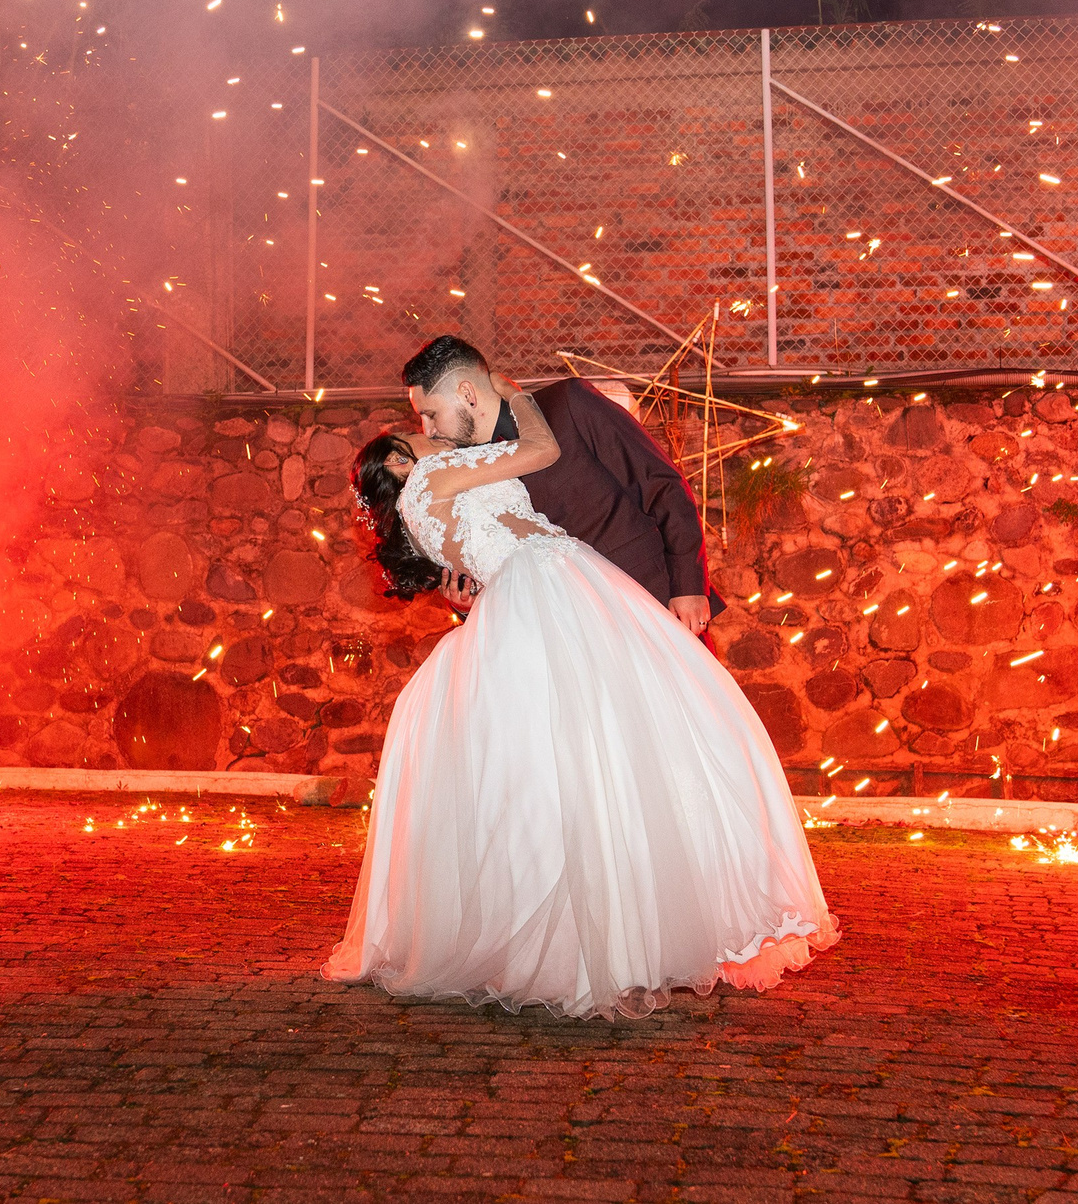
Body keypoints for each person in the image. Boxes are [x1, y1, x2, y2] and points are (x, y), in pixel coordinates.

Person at [328, 368, 837, 1019]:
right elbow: (533, 462)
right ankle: (600, 942)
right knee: (587, 768)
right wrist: (514, 394)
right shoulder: (444, 472)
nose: (426, 430)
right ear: (402, 465)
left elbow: (639, 486)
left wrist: (472, 586)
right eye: (417, 429)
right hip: (553, 596)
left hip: (573, 594)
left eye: (426, 416)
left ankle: (605, 934)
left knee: (574, 774)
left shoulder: (461, 470)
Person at [399, 335, 722, 649]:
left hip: (652, 599)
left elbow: (660, 483)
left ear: (467, 393)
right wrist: (469, 605)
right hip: (569, 638)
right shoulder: (458, 471)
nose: (429, 431)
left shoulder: (567, 403)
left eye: (431, 414)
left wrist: (689, 585)